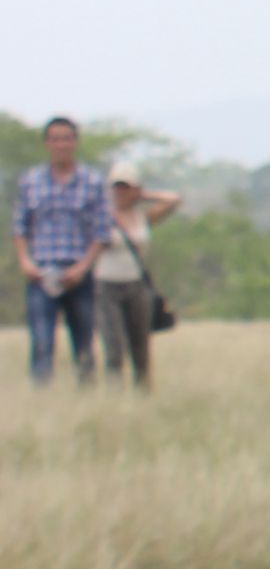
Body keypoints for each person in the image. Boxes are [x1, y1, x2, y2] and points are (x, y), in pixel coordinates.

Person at [18, 116, 113, 387]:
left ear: (75, 142)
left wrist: (83, 267)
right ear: (47, 143)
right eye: (55, 138)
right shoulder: (30, 181)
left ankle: (86, 398)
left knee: (84, 341)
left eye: (66, 138)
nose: (61, 144)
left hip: (79, 273)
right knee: (41, 341)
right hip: (41, 272)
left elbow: (101, 231)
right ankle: (42, 399)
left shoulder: (92, 181)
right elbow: (20, 227)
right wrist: (25, 262)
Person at [93, 157, 183, 390]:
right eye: (117, 186)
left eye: (126, 186)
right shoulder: (102, 217)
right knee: (113, 345)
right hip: (106, 285)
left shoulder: (143, 218)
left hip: (137, 286)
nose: (121, 191)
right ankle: (114, 392)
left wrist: (143, 196)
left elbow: (173, 200)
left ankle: (142, 391)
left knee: (140, 344)